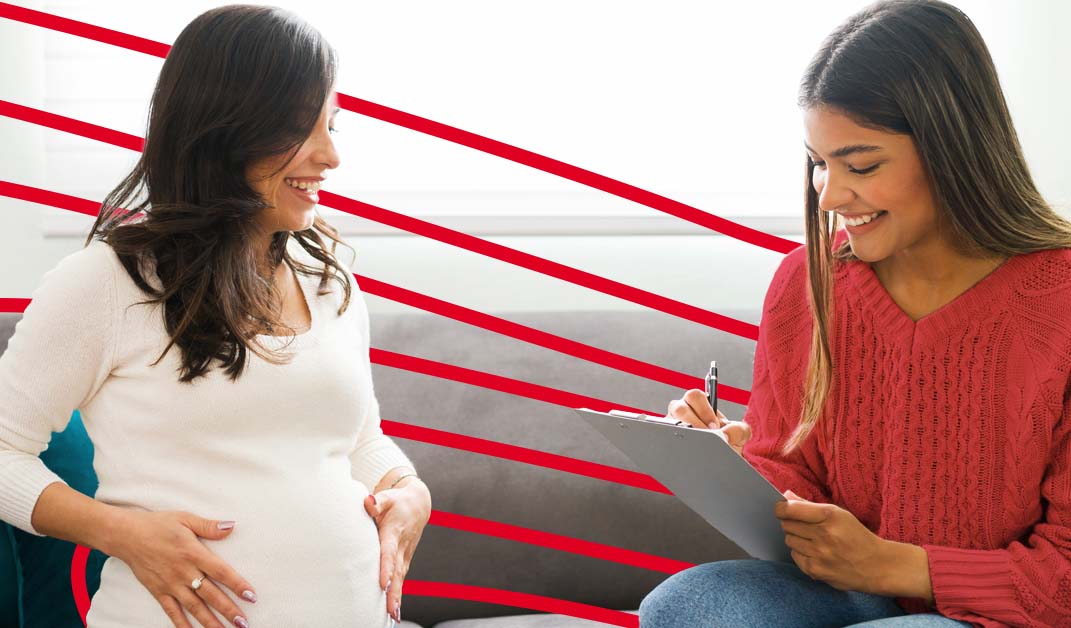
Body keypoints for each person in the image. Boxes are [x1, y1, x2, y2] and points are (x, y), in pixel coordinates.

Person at [640, 0, 1071, 626]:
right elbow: (800, 489)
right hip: (851, 597)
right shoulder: (806, 282)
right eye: (819, 163)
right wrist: (736, 466)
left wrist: (893, 566)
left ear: (954, 149)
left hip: (1000, 613)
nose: (830, 196)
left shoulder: (1058, 299)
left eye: (861, 165)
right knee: (686, 606)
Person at [0, 5, 430, 628]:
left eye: (332, 125)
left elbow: (358, 439)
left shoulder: (328, 278)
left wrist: (409, 488)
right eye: (301, 129)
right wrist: (120, 532)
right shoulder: (109, 282)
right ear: (223, 130)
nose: (331, 156)